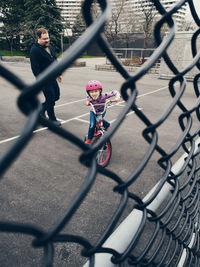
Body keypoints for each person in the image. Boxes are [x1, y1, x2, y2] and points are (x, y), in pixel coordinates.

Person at [30, 28, 62, 126]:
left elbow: (55, 60)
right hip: (44, 80)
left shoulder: (49, 47)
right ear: (38, 38)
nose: (47, 40)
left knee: (56, 96)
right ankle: (52, 119)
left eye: (48, 38)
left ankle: (41, 108)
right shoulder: (34, 50)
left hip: (52, 78)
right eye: (44, 39)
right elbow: (35, 68)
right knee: (51, 99)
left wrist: (59, 73)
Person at [85, 80, 120, 144]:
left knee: (98, 119)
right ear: (89, 93)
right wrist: (87, 102)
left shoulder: (104, 96)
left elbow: (115, 92)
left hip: (102, 110)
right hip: (93, 111)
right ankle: (89, 138)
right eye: (92, 92)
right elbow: (87, 99)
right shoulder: (89, 97)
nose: (94, 93)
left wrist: (117, 97)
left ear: (100, 91)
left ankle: (107, 125)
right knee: (92, 124)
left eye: (96, 91)